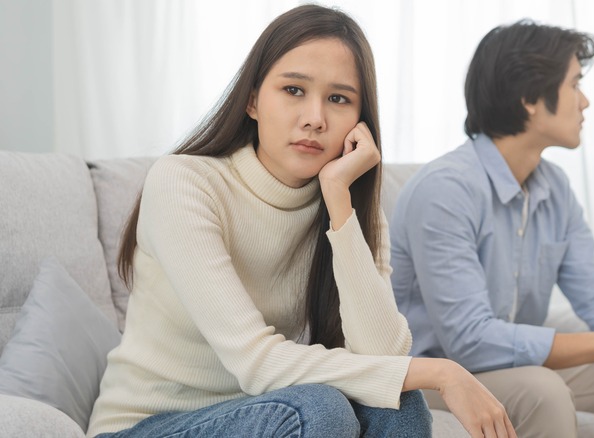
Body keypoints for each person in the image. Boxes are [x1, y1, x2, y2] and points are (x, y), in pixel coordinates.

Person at [87, 5, 515, 438]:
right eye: (294, 90)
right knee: (319, 408)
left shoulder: (351, 210)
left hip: (267, 414)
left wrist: (338, 201)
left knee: (399, 405)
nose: (315, 118)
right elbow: (255, 363)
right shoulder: (185, 182)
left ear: (359, 121)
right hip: (146, 426)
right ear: (252, 100)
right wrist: (442, 372)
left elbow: (382, 353)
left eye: (338, 99)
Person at [390, 19, 594, 438]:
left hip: (509, 366)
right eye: (575, 84)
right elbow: (471, 340)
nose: (586, 101)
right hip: (435, 376)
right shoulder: (445, 190)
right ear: (529, 99)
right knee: (544, 389)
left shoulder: (554, 188)